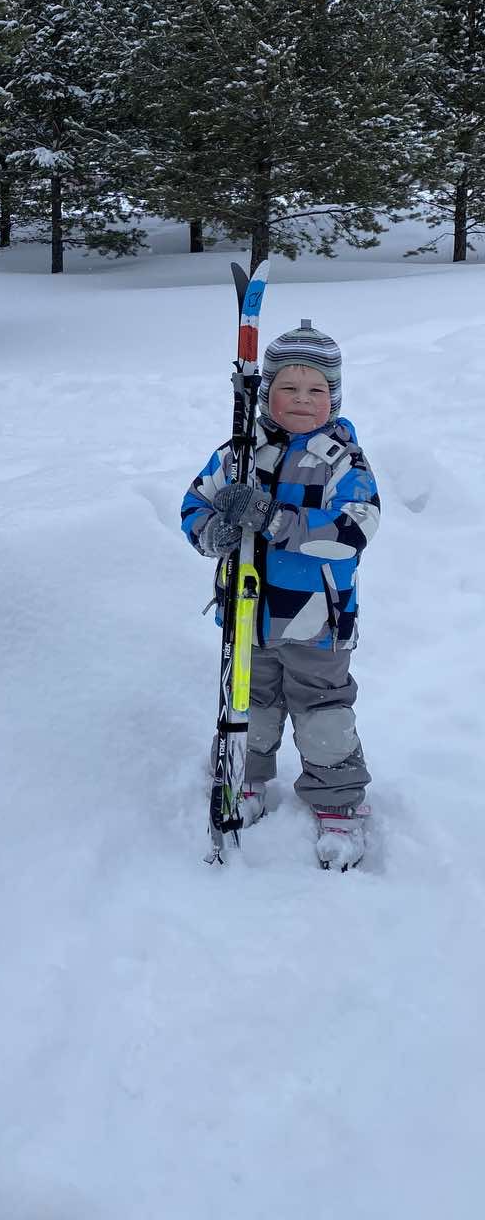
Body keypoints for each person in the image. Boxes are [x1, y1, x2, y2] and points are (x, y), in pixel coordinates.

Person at [181, 319, 381, 869]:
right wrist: (212, 532)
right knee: (250, 705)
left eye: (317, 389)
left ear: (334, 397)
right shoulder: (237, 455)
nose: (301, 399)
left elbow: (353, 530)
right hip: (247, 614)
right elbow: (195, 505)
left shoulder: (342, 458)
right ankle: (246, 781)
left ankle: (339, 805)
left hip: (318, 623)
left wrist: (273, 518)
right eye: (288, 387)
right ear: (265, 392)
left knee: (322, 713)